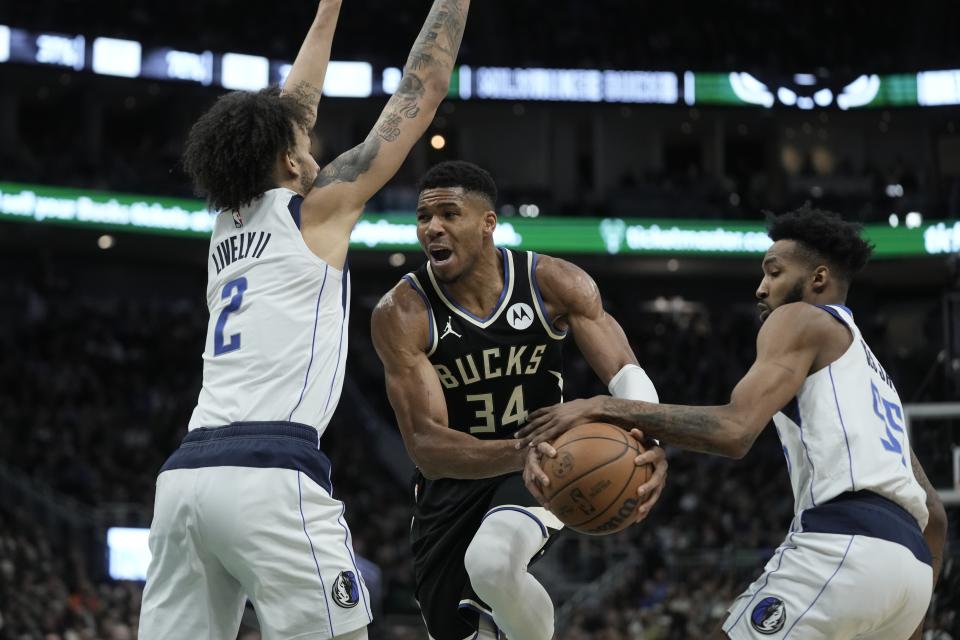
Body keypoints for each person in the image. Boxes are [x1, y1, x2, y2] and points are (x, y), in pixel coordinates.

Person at [138, 1, 473, 638]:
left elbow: (294, 103)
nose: (312, 144)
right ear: (291, 164)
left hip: (184, 480)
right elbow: (421, 89)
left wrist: (328, 8)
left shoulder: (224, 224)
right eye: (304, 143)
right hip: (268, 473)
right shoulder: (314, 212)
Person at [517, 204, 948, 640]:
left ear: (818, 278)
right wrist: (908, 609)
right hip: (909, 572)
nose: (761, 289)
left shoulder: (798, 318)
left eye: (774, 273)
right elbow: (934, 514)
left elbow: (734, 431)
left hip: (846, 540)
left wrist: (604, 406)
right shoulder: (876, 378)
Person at [370, 160, 669, 640]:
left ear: (488, 223)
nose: (433, 229)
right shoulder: (403, 312)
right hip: (455, 477)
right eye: (424, 218)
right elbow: (425, 444)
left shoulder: (553, 282)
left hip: (549, 462)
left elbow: (625, 372)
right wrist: (516, 452)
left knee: (490, 562)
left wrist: (649, 438)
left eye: (449, 214)